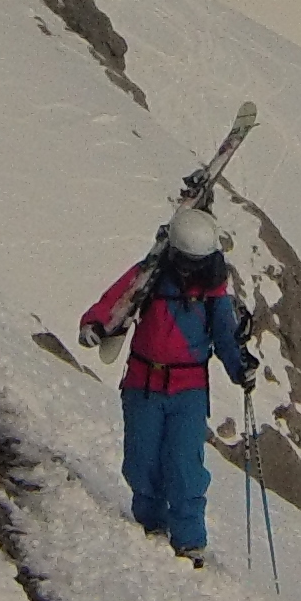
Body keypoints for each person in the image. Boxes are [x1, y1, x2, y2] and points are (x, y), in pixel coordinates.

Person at [80, 205, 258, 563]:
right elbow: (118, 297)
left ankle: (190, 541)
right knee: (141, 459)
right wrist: (96, 324)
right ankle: (151, 524)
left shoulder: (213, 291)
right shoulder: (151, 275)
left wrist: (241, 367)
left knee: (184, 465)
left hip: (186, 391)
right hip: (143, 385)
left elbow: (225, 334)